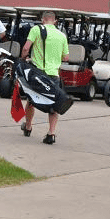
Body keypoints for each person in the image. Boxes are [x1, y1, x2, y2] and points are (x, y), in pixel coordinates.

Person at [20, 11, 70, 144]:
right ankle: (51, 133)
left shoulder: (36, 30)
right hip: (54, 74)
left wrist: (24, 59)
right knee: (54, 104)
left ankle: (29, 127)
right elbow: (66, 57)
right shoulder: (62, 35)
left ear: (42, 20)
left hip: (38, 74)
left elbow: (26, 48)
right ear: (55, 21)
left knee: (31, 100)